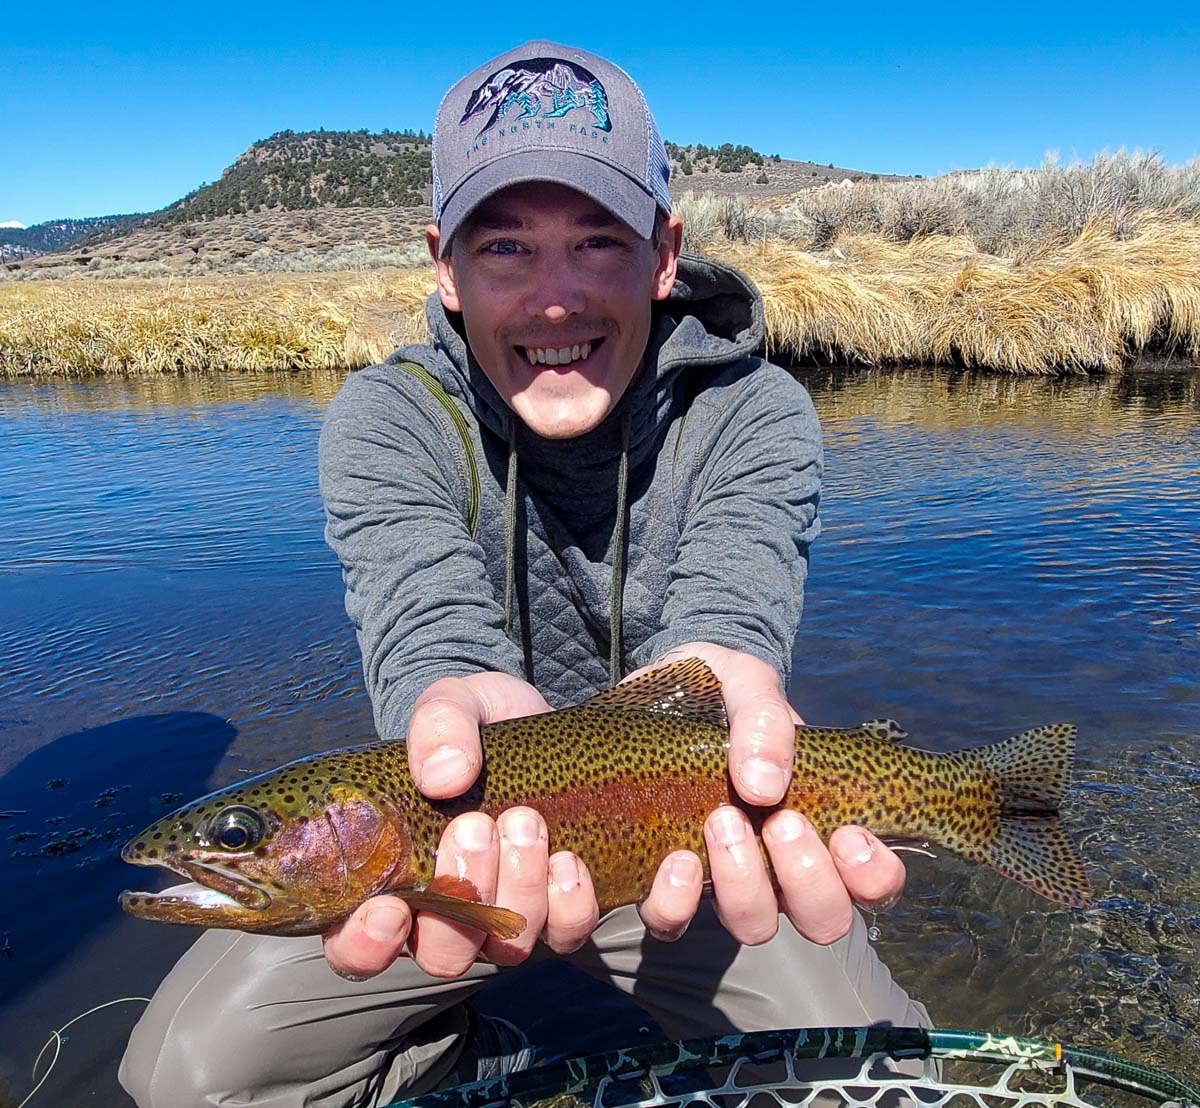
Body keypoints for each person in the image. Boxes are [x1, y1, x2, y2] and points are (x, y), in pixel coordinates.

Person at [120, 40, 924, 1108]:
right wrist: (451, 698)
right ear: (444, 266)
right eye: (505, 247)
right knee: (189, 1076)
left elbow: (731, 620)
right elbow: (427, 623)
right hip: (450, 858)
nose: (556, 299)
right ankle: (460, 1059)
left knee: (869, 1080)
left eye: (597, 240)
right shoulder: (389, 420)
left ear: (663, 252)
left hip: (685, 831)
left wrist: (729, 678)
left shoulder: (755, 412)